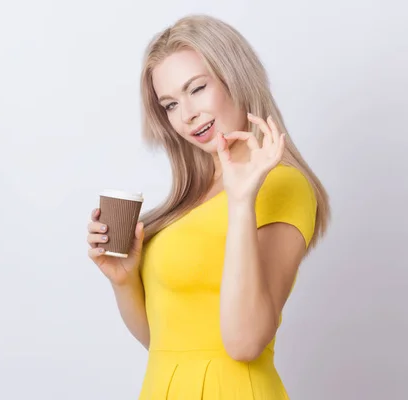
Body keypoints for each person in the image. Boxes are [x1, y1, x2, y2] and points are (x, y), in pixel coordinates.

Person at [87, 14, 330, 399]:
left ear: (235, 76)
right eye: (169, 104)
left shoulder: (283, 185)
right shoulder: (192, 197)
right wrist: (124, 280)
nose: (187, 115)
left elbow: (244, 343)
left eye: (197, 88)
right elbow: (163, 341)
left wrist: (241, 200)